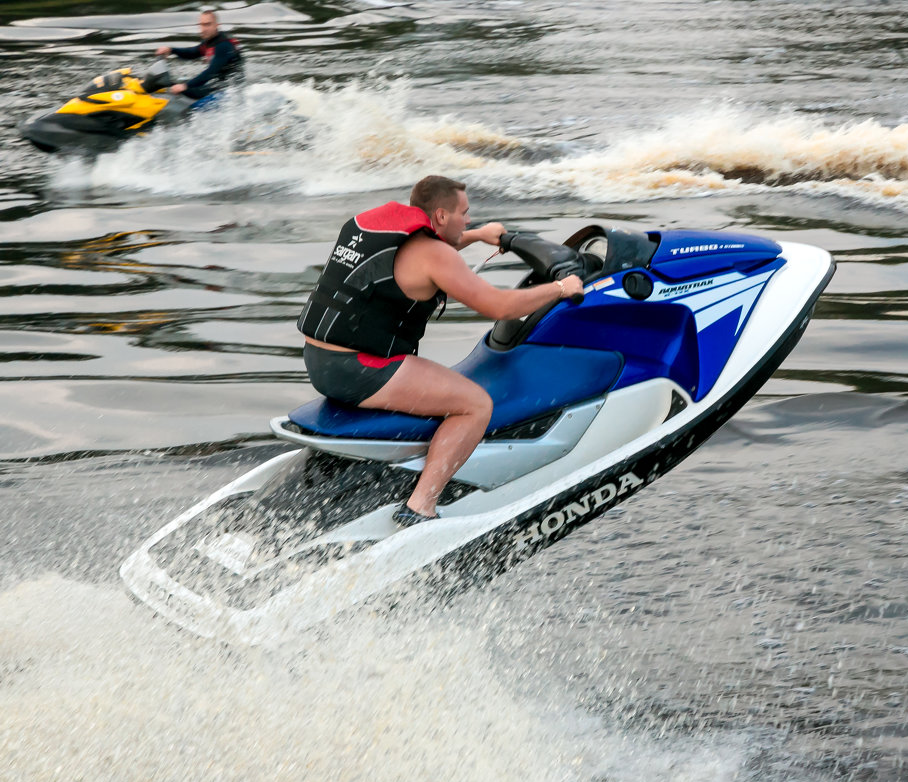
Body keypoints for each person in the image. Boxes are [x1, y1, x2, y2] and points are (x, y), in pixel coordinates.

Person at [297, 176, 585, 527]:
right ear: (441, 215)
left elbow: (428, 255)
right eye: (465, 213)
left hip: (318, 359)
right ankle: (420, 507)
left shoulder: (372, 224)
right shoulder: (432, 255)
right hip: (359, 370)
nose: (468, 219)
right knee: (474, 405)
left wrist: (479, 236)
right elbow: (498, 306)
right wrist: (560, 287)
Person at [154, 9, 243, 99]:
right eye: (201, 25)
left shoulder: (223, 45)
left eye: (207, 24)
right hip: (218, 83)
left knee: (181, 88)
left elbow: (210, 73)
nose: (203, 29)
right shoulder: (210, 41)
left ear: (216, 26)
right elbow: (192, 53)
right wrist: (171, 50)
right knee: (178, 84)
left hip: (229, 91)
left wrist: (185, 86)